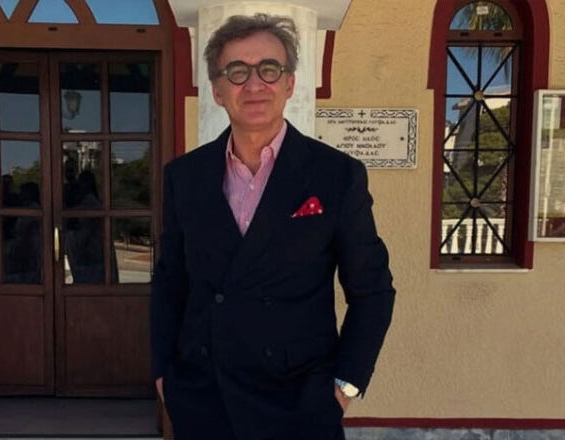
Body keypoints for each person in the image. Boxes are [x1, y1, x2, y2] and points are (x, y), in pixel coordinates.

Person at [150, 13, 395, 440]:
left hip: (300, 404)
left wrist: (345, 386)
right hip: (206, 399)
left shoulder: (336, 175)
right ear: (217, 90)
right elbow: (170, 282)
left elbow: (372, 290)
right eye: (237, 71)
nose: (254, 84)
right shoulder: (185, 177)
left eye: (269, 69)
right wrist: (164, 377)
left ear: (290, 83)